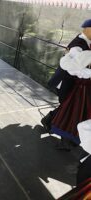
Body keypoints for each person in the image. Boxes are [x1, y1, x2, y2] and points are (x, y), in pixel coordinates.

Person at [50, 19, 91, 149]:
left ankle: (49, 122)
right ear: (88, 29)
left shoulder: (85, 42)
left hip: (76, 84)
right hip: (67, 83)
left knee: (67, 108)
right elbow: (75, 69)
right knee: (68, 109)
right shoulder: (78, 46)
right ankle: (64, 140)